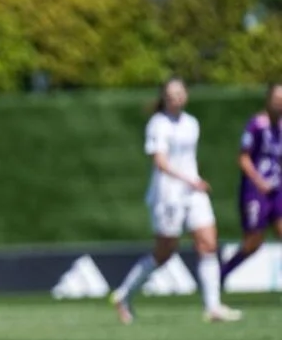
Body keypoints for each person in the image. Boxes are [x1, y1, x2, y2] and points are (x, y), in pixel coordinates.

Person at [112, 77, 241, 324]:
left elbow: (188, 159)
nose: (176, 98)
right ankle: (124, 295)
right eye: (171, 94)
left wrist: (194, 182)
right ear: (164, 98)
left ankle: (213, 307)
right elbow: (160, 162)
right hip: (167, 195)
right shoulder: (158, 124)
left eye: (180, 93)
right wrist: (188, 180)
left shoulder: (191, 123)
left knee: (208, 244)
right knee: (164, 252)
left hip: (193, 192)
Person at [220, 84, 282, 286]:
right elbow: (243, 158)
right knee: (253, 241)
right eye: (277, 99)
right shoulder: (256, 124)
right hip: (256, 191)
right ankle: (221, 274)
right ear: (268, 100)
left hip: (277, 189)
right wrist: (259, 181)